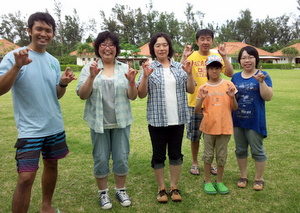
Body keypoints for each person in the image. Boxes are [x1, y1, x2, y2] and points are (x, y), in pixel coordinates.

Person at [0, 12, 76, 213]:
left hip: (54, 126)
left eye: (48, 30)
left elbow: (56, 95)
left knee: (51, 166)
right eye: (39, 29)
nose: (44, 34)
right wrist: (17, 67)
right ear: (29, 31)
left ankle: (46, 207)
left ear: (53, 34)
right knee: (25, 178)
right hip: (30, 130)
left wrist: (62, 83)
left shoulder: (52, 61)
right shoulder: (15, 56)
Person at [76, 31, 138, 210]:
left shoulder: (124, 68)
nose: (107, 48)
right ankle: (103, 193)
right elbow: (82, 95)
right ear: (98, 48)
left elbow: (132, 97)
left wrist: (132, 82)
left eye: (111, 44)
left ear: (116, 48)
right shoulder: (89, 68)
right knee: (101, 158)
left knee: (121, 158)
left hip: (121, 121)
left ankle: (121, 189)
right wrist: (92, 77)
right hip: (98, 122)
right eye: (103, 44)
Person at [137, 32, 195, 203]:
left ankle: (174, 186)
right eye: (157, 45)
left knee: (176, 154)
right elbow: (141, 94)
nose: (162, 48)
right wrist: (145, 76)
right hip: (157, 120)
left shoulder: (179, 67)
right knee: (158, 155)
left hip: (178, 119)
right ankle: (161, 188)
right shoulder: (149, 67)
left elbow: (191, 90)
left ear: (169, 47)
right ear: (153, 49)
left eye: (164, 45)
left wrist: (190, 74)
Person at [181, 29, 234, 176]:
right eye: (202, 39)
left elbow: (229, 73)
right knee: (195, 135)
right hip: (195, 102)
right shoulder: (191, 56)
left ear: (212, 41)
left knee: (212, 135)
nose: (205, 42)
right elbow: (181, 72)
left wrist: (225, 56)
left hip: (215, 104)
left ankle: (209, 163)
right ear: (197, 41)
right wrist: (183, 57)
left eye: (208, 39)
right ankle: (195, 163)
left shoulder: (217, 56)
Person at [195, 55, 238, 195]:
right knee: (208, 155)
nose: (214, 71)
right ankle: (207, 181)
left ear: (221, 69)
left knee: (221, 155)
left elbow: (235, 107)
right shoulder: (203, 87)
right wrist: (201, 99)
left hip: (225, 126)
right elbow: (196, 110)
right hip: (208, 127)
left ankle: (219, 181)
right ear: (207, 70)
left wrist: (232, 97)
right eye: (211, 68)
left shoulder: (229, 85)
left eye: (217, 68)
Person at [232, 46, 273, 191]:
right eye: (243, 58)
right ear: (239, 61)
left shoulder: (263, 75)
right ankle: (243, 176)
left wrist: (261, 82)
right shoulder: (235, 77)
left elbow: (267, 97)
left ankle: (259, 178)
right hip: (238, 120)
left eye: (250, 57)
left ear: (256, 59)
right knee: (240, 150)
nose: (247, 60)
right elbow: (232, 99)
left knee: (257, 151)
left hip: (255, 120)